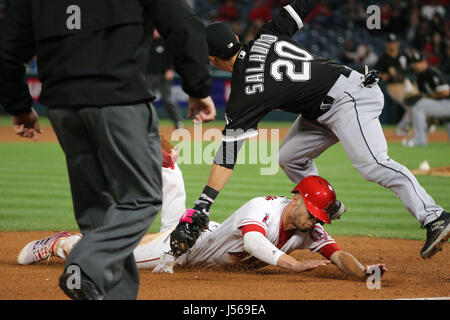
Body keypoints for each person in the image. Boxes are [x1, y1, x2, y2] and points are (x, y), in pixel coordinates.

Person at [169, 0, 450, 262]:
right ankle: (327, 205)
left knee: (374, 164)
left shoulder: (246, 91)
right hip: (326, 103)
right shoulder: (268, 33)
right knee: (289, 157)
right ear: (238, 40)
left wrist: (203, 204)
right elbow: (302, 5)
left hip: (348, 98)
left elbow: (227, 154)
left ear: (213, 59)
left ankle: (434, 217)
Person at [0, 0, 215, 300]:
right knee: (141, 200)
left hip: (63, 107)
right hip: (119, 99)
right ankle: (83, 268)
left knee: (95, 211)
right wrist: (198, 87)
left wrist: (20, 107)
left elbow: (7, 49)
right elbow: (183, 25)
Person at [18, 176, 387, 282]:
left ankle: (169, 176)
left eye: (321, 218)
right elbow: (256, 242)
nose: (315, 222)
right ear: (297, 200)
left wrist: (364, 272)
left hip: (209, 240)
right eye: (313, 214)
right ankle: (63, 244)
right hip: (188, 247)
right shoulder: (264, 208)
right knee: (121, 259)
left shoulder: (310, 230)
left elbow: (339, 255)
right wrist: (294, 266)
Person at [402, 51, 450, 147]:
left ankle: (420, 140)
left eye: (418, 63)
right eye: (414, 63)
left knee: (419, 106)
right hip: (442, 105)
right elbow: (422, 95)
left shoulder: (431, 72)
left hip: (447, 103)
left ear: (425, 62)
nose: (416, 65)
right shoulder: (420, 77)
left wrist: (427, 97)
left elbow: (445, 92)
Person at [146, 29, 185, 130]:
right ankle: (146, 122)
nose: (155, 32)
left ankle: (178, 121)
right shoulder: (147, 42)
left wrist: (171, 69)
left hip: (164, 75)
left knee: (167, 99)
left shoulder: (166, 42)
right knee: (146, 100)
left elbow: (173, 57)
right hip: (149, 75)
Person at [375, 33, 412, 137]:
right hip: (393, 86)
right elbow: (376, 73)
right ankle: (401, 128)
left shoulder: (402, 55)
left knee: (418, 103)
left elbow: (411, 66)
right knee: (411, 106)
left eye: (394, 43)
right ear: (386, 44)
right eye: (390, 43)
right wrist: (383, 75)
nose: (392, 45)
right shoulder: (383, 58)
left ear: (397, 44)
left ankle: (422, 125)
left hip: (406, 83)